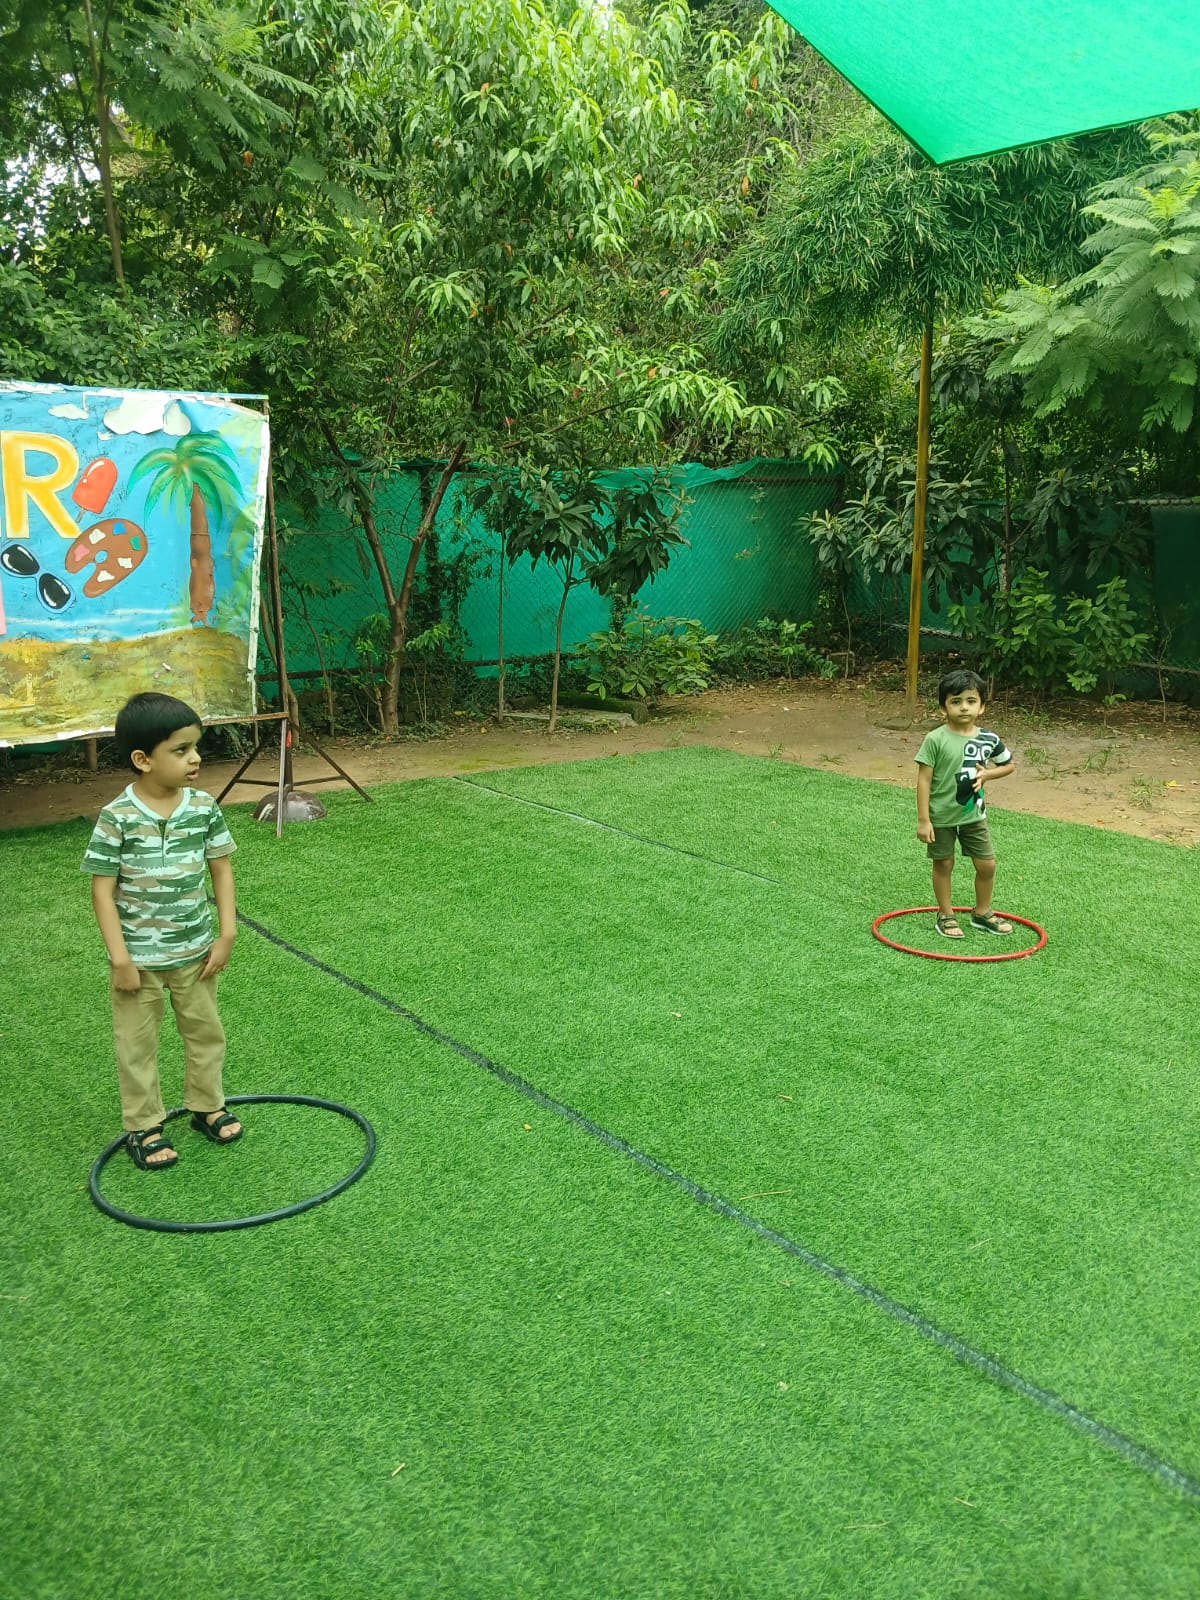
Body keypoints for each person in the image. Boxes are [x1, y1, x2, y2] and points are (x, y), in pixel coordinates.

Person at [82, 692, 243, 1169]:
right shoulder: (118, 817)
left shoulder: (203, 806)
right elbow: (101, 891)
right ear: (143, 759)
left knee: (206, 1033)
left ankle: (207, 1106)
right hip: (139, 962)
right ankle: (144, 1125)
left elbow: (221, 869)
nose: (195, 758)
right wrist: (120, 959)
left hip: (197, 954)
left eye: (196, 747)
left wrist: (226, 933)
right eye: (181, 750)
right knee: (137, 1046)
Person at [915, 669, 1015, 939]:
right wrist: (924, 820)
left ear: (981, 707)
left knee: (987, 865)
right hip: (941, 817)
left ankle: (982, 913)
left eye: (971, 701)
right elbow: (923, 780)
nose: (964, 707)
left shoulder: (988, 739)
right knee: (944, 864)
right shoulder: (935, 739)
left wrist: (988, 774)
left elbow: (1008, 765)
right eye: (956, 701)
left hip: (974, 815)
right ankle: (946, 914)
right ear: (944, 708)